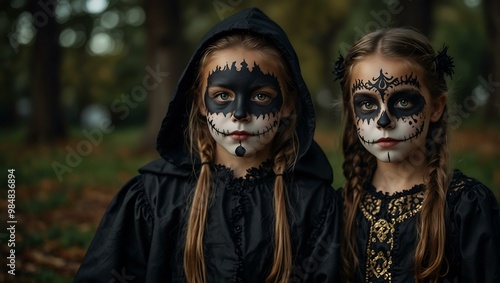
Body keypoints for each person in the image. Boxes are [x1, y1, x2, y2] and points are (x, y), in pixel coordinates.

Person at [74, 7, 341, 283]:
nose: (239, 114)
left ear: (287, 105)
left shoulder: (314, 204)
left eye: (261, 96)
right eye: (222, 95)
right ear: (201, 103)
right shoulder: (155, 198)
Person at [334, 27, 500, 282]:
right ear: (352, 111)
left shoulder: (466, 208)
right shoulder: (337, 209)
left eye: (402, 102)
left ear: (435, 107)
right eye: (367, 104)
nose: (383, 121)